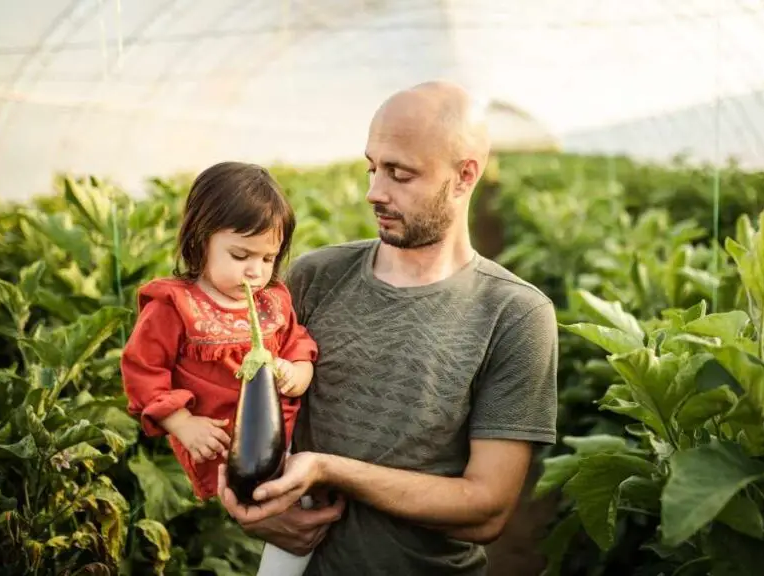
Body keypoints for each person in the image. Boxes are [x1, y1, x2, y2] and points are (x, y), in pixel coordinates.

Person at [216, 81, 559, 575]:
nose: (374, 192)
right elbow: (242, 408)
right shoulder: (315, 277)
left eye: (400, 174)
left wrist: (331, 469)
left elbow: (487, 509)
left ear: (465, 176)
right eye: (373, 168)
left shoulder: (515, 315)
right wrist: (246, 503)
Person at [120, 161, 319, 503]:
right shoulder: (174, 306)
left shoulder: (271, 301)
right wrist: (181, 423)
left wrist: (299, 371)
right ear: (200, 243)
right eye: (241, 255)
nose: (256, 271)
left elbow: (296, 343)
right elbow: (143, 369)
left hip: (281, 440)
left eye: (269, 258)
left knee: (292, 501)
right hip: (216, 445)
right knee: (254, 504)